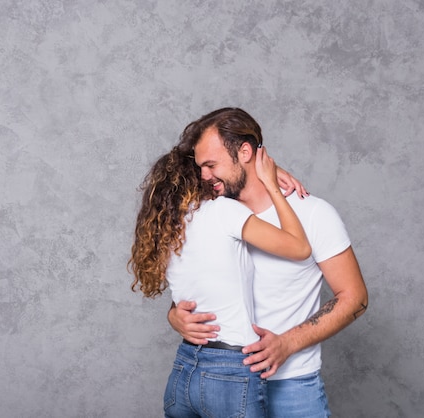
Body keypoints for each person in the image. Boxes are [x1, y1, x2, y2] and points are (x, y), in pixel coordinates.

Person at [168, 107, 369, 418]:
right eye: (200, 168)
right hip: (224, 387)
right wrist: (175, 315)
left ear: (245, 151)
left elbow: (354, 298)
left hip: (291, 389)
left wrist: (287, 344)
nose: (204, 176)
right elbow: (189, 281)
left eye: (211, 165)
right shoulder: (210, 214)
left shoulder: (313, 213)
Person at [129, 143, 312, 417]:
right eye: (206, 168)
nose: (210, 175)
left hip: (184, 368)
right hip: (230, 371)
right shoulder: (223, 212)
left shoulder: (167, 230)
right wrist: (272, 184)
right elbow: (300, 248)